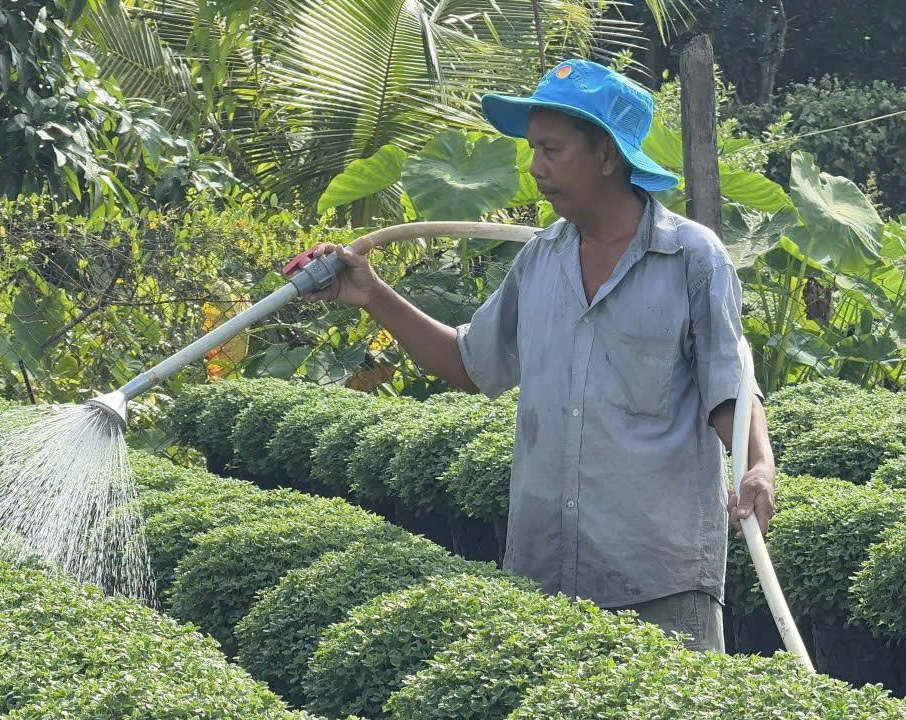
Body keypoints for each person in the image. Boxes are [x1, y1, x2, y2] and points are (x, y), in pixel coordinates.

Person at [304, 58, 776, 653]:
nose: (536, 168)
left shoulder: (690, 258)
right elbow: (467, 362)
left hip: (658, 577)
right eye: (534, 149)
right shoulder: (540, 261)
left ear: (606, 155)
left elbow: (726, 384)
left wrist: (758, 462)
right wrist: (371, 293)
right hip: (543, 573)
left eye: (552, 150)